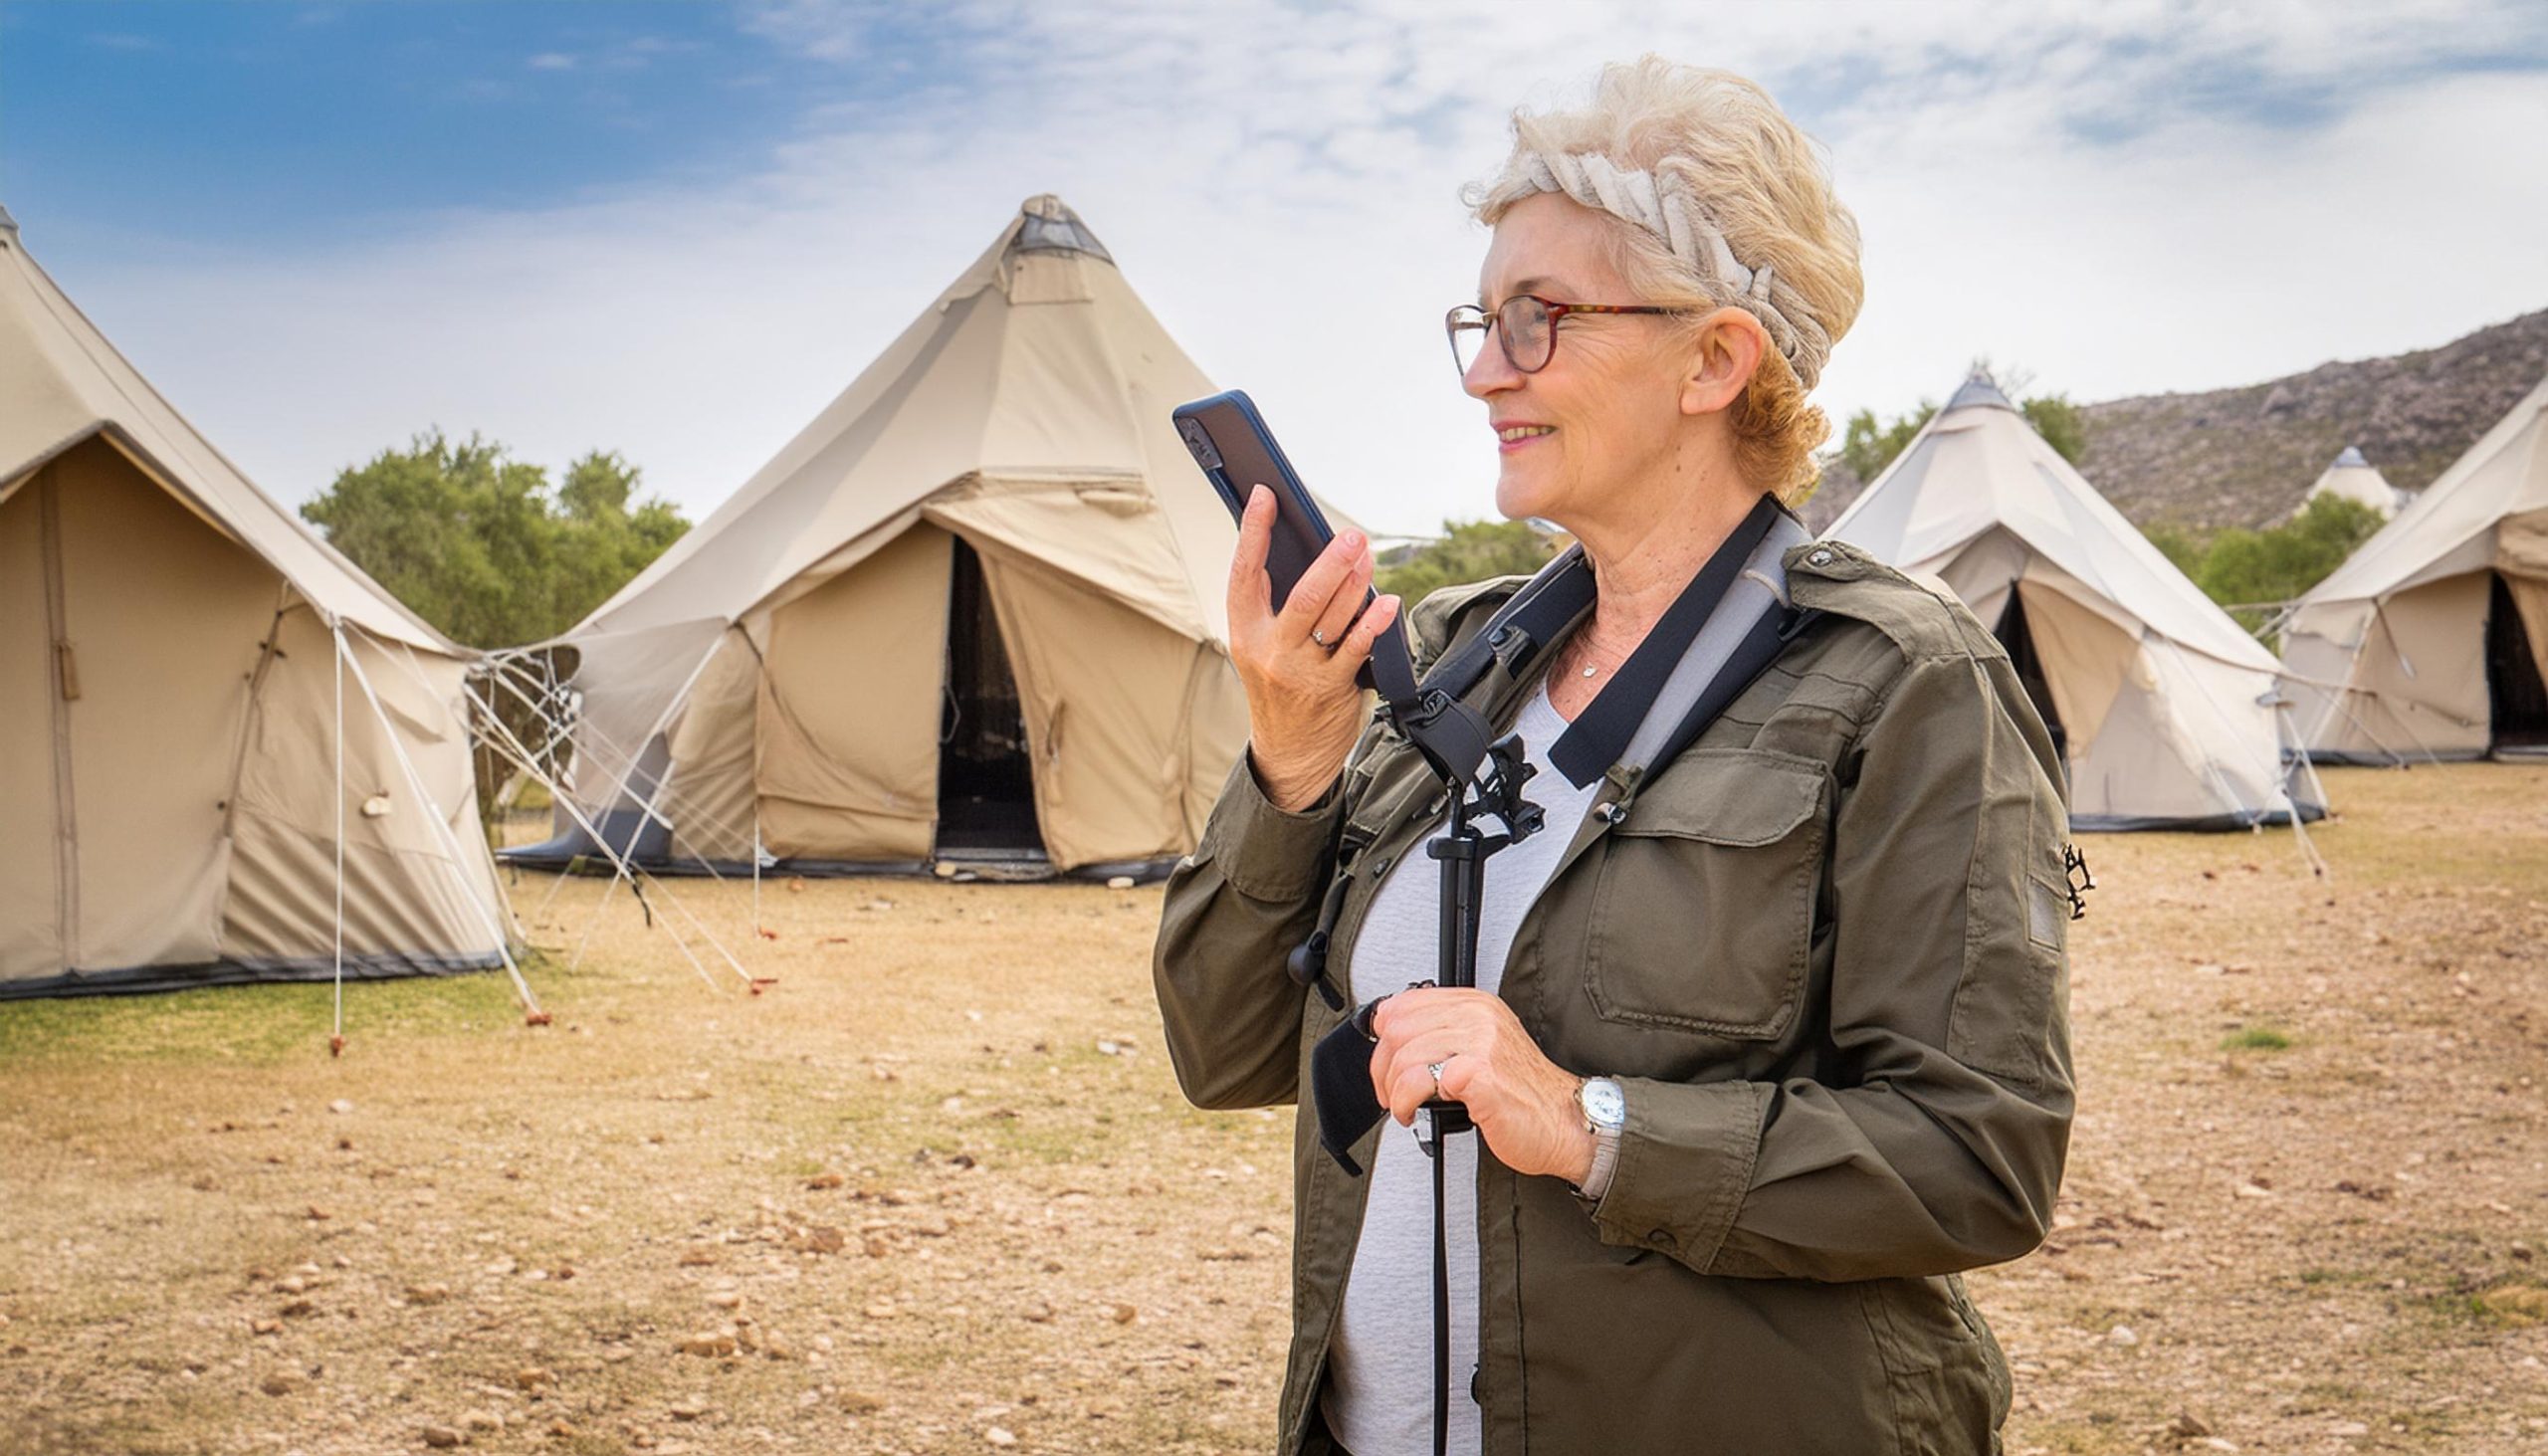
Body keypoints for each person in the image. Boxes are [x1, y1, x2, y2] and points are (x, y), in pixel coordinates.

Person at [1155, 56, 2072, 1456]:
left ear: (1715, 358)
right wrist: (1289, 766)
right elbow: (1221, 1053)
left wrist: (1590, 1125)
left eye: (1540, 324)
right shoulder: (1453, 655)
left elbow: (1979, 1160)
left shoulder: (1906, 683)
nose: (1481, 375)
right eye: (1480, 321)